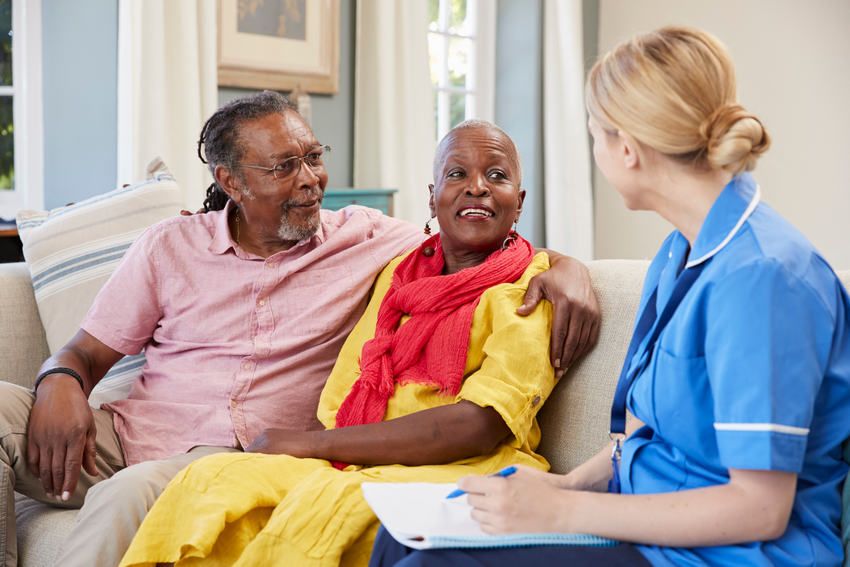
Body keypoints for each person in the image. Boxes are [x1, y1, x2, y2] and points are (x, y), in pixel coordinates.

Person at [0, 92, 599, 567]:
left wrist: (569, 267)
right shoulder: (169, 246)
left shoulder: (366, 238)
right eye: (284, 167)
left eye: (313, 157)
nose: (310, 179)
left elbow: (477, 236)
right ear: (231, 181)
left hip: (228, 456)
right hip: (127, 434)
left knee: (126, 495)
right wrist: (60, 380)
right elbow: (84, 352)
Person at [370, 26, 850, 567]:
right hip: (643, 522)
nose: (595, 148)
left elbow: (758, 510)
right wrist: (566, 486)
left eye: (595, 134)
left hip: (724, 554)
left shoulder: (762, 280)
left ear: (627, 148)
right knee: (402, 538)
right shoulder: (679, 253)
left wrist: (562, 513)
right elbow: (645, 429)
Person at [119, 120, 558, 566]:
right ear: (431, 196)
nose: (477, 188)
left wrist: (311, 445)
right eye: (457, 174)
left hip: (461, 467)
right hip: (357, 455)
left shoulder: (531, 290)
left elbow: (481, 425)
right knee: (210, 481)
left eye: (497, 176)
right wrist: (327, 448)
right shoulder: (400, 272)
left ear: (519, 203)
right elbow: (344, 392)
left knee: (320, 511)